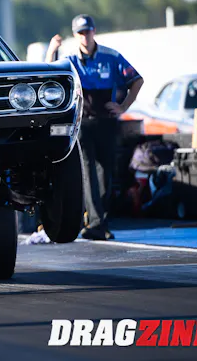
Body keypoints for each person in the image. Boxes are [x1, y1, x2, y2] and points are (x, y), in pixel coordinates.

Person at [46, 14, 144, 241]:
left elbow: (137, 80)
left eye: (87, 32)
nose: (85, 36)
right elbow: (49, 75)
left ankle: (100, 220)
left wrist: (123, 106)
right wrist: (52, 50)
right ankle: (96, 222)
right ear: (75, 35)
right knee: (88, 170)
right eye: (80, 33)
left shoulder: (111, 56)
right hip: (82, 123)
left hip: (106, 122)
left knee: (106, 173)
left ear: (94, 31)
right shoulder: (69, 59)